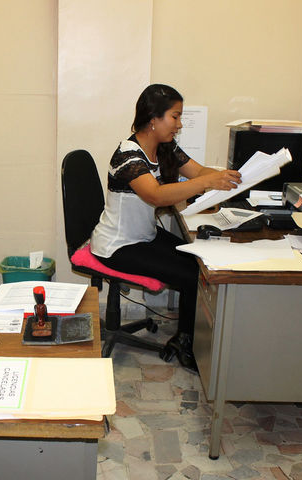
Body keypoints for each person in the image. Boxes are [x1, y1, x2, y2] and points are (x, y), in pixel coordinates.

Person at [90, 84, 241, 369]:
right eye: (175, 116)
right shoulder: (127, 156)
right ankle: (185, 343)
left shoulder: (164, 147)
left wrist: (230, 177)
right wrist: (207, 182)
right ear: (153, 119)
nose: (179, 124)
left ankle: (189, 336)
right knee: (191, 274)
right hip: (117, 246)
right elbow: (155, 195)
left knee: (199, 262)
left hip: (143, 236)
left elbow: (197, 171)